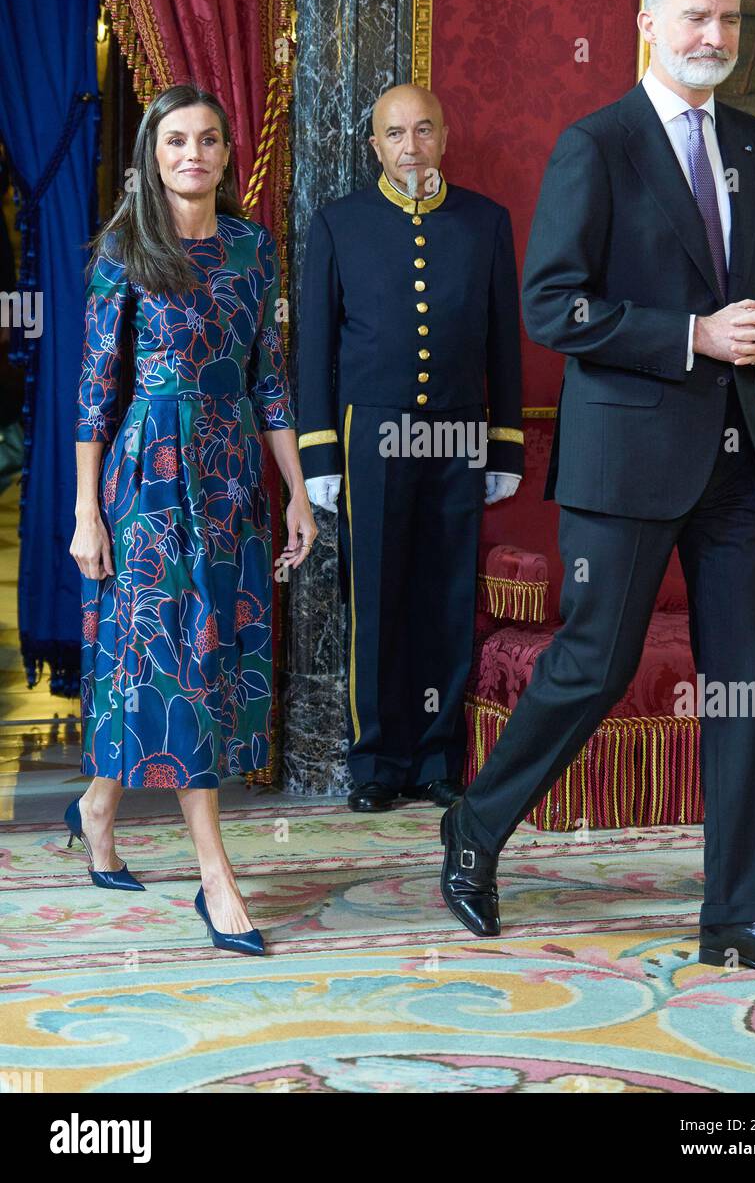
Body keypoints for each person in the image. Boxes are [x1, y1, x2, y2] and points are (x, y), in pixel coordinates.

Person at [439, 0, 755, 983]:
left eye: (729, 22)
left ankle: (738, 916)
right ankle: (476, 824)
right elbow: (551, 304)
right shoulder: (598, 145)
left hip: (733, 465)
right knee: (593, 665)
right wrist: (688, 337)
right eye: (695, 19)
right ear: (648, 23)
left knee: (742, 689)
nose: (714, 37)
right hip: (625, 459)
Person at [70, 82, 316, 955]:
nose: (194, 155)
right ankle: (217, 877)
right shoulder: (121, 250)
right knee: (174, 657)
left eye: (209, 140)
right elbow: (95, 395)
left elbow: (271, 379)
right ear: (154, 152)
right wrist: (84, 513)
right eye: (177, 141)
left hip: (231, 475)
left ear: (224, 153)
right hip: (147, 476)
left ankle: (98, 808)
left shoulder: (254, 249)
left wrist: (296, 489)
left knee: (184, 652)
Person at [298, 84, 524, 813]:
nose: (411, 146)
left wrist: (506, 444)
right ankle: (376, 762)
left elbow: (504, 346)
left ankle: (434, 758)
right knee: (377, 598)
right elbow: (315, 354)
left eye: (423, 130)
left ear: (444, 136)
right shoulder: (340, 225)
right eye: (395, 134)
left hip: (459, 432)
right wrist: (321, 455)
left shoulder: (485, 223)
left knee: (448, 594)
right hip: (373, 435)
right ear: (376, 147)